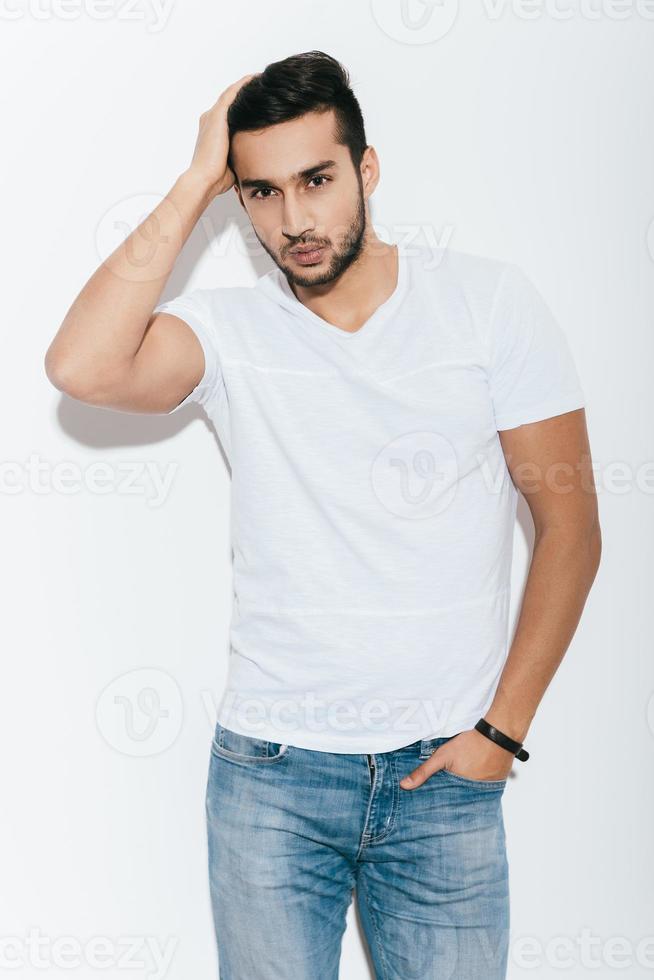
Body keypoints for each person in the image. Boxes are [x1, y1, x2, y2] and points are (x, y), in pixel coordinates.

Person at [44, 50, 601, 980]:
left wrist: (501, 732)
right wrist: (194, 184)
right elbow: (82, 369)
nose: (295, 220)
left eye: (317, 180)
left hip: (446, 778)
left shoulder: (488, 305)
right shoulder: (228, 332)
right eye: (261, 193)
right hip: (272, 778)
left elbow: (572, 529)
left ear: (366, 170)